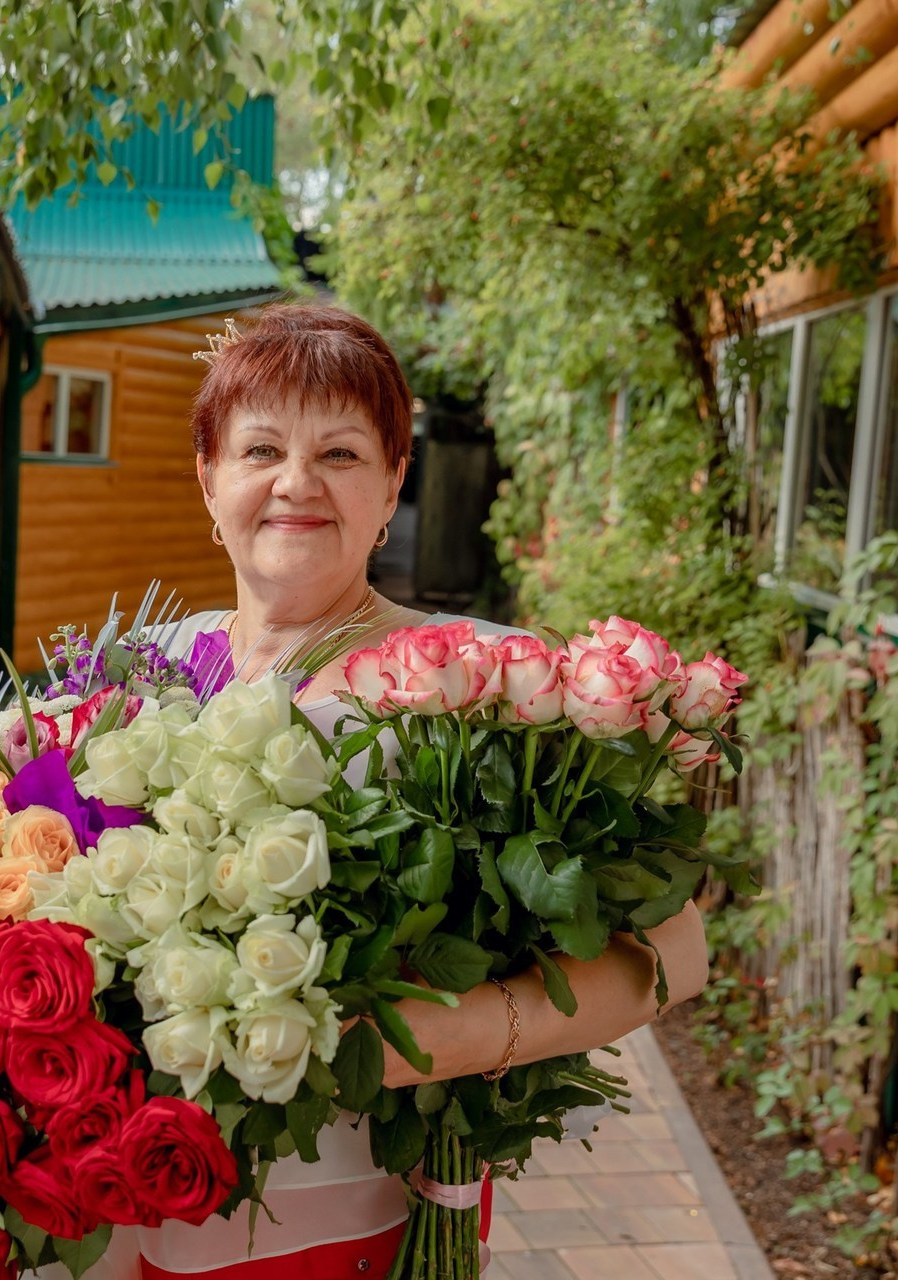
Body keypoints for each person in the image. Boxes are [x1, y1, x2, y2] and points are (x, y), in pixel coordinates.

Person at [52, 303, 710, 1280]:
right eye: (260, 447)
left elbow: (677, 951)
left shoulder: (477, 680)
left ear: (395, 479)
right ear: (207, 477)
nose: (294, 483)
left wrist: (449, 1038)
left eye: (341, 453)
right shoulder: (141, 669)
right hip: (122, 1206)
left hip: (349, 1227)